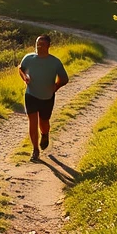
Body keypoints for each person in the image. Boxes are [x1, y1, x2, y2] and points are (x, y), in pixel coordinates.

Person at [18, 34, 69, 162]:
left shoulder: (55, 62)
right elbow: (21, 69)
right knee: (32, 122)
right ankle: (35, 150)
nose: (39, 46)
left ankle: (45, 134)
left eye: (42, 44)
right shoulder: (28, 58)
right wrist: (25, 78)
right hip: (31, 95)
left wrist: (56, 86)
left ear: (48, 46)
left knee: (44, 123)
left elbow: (64, 79)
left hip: (47, 97)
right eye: (37, 44)